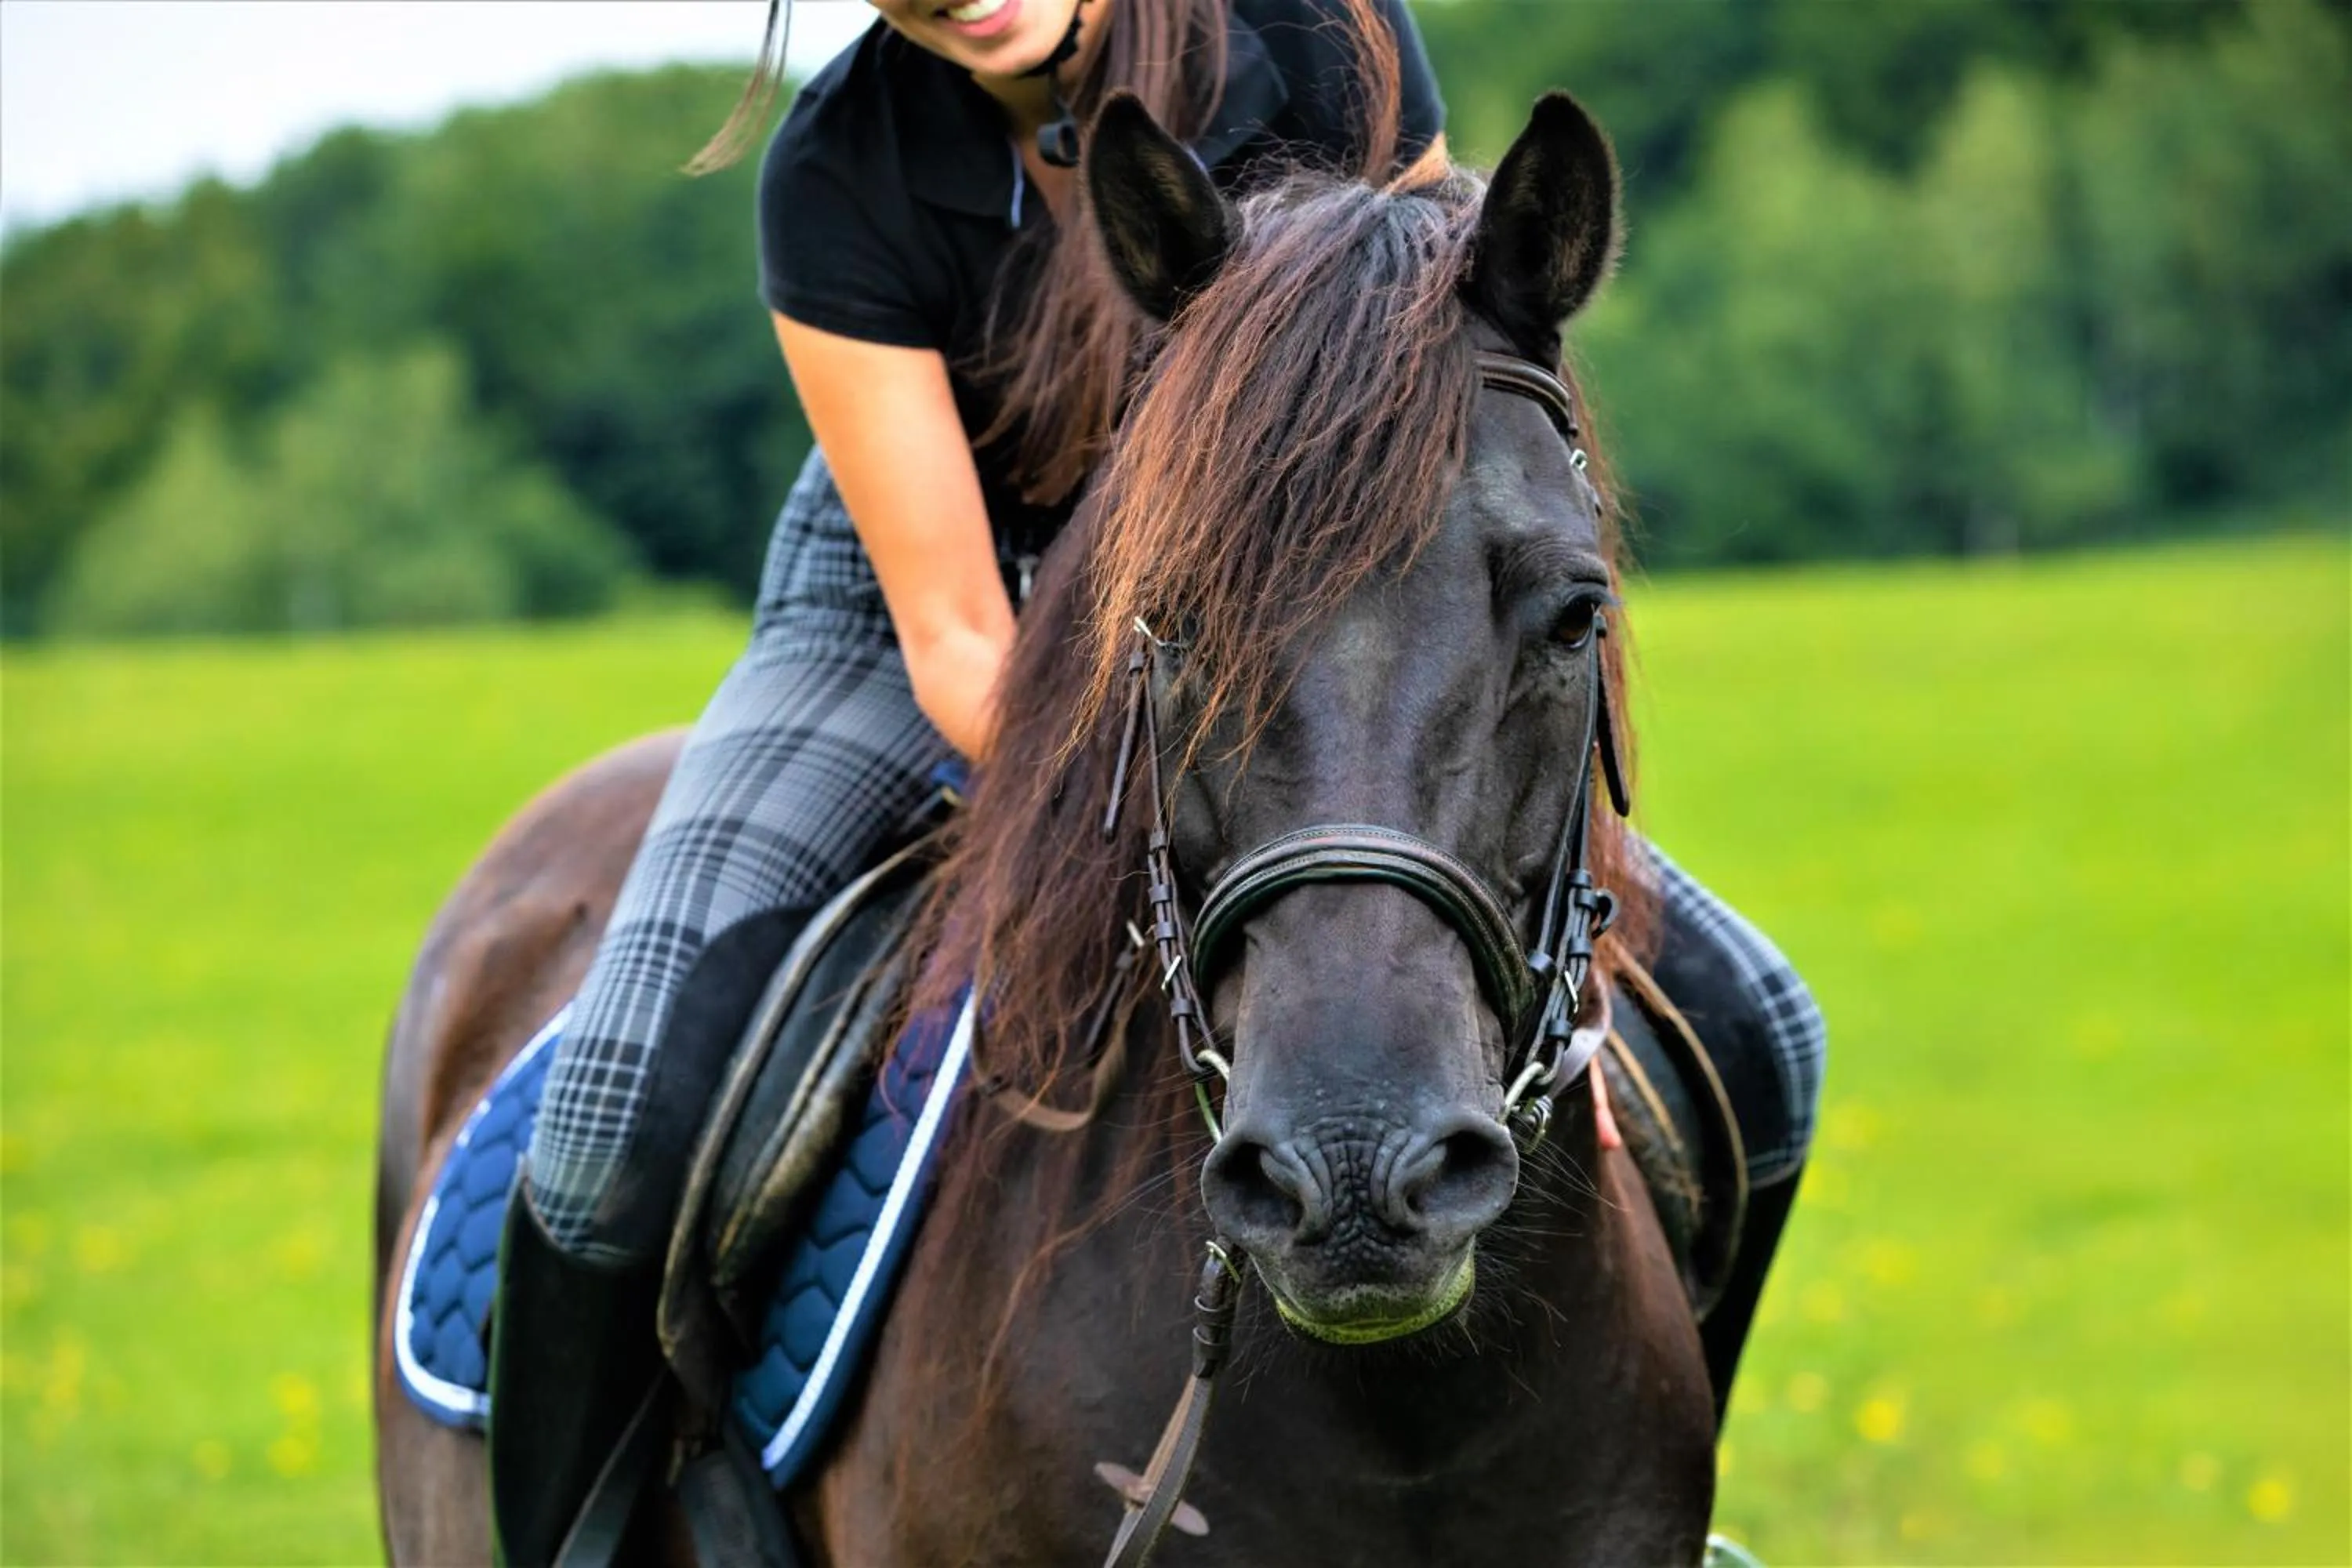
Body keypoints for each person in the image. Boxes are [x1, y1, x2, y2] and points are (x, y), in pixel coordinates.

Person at [489, 2, 1825, 1560]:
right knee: (606, 1125)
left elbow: (1446, 379)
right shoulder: (838, 173)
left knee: (1761, 1021)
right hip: (930, 618)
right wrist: (1186, 775)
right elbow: (955, 636)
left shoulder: (1325, 44)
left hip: (1308, 612)